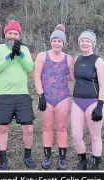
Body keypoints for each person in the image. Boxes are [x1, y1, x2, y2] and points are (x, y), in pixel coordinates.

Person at [0, 20, 35, 170]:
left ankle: (28, 155)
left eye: (15, 33)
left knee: (28, 128)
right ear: (5, 34)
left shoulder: (25, 49)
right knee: (3, 128)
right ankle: (3, 157)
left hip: (23, 94)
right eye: (10, 33)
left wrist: (20, 54)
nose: (12, 36)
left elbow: (30, 67)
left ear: (19, 35)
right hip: (4, 94)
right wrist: (10, 56)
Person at [34, 24, 73, 169]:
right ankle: (47, 157)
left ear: (63, 43)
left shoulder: (69, 59)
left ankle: (62, 159)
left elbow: (72, 77)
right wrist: (40, 95)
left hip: (63, 97)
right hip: (46, 98)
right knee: (47, 127)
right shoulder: (42, 56)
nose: (57, 43)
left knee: (62, 127)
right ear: (51, 41)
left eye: (60, 41)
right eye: (54, 40)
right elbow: (36, 76)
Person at [70, 29, 104, 171]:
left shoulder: (98, 61)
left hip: (93, 102)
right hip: (77, 102)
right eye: (82, 41)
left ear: (93, 43)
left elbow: (103, 85)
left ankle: (95, 165)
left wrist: (100, 105)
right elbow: (73, 77)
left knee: (95, 136)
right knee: (76, 136)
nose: (85, 43)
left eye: (88, 41)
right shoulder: (77, 59)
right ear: (79, 43)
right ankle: (83, 162)